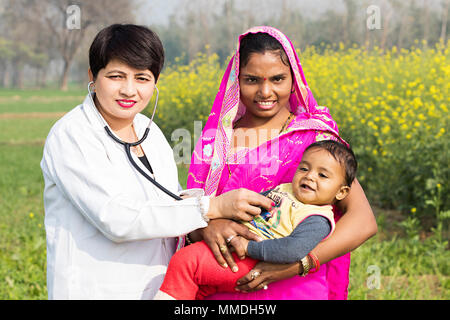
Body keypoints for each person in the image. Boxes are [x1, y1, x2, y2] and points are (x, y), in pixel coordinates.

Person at [40, 24, 272, 300]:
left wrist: (208, 223)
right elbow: (117, 218)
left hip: (156, 287)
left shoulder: (149, 132)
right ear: (93, 76)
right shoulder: (73, 134)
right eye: (116, 76)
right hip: (96, 287)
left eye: (142, 78)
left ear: (155, 81)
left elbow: (169, 199)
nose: (129, 90)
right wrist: (212, 207)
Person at [186, 26, 377, 300]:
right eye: (252, 80)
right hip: (225, 281)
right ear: (235, 81)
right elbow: (188, 211)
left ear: (294, 79)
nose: (266, 91)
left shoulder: (314, 138)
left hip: (297, 286)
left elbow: (363, 221)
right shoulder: (216, 141)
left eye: (277, 79)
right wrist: (206, 227)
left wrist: (298, 263)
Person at [155, 140, 358, 300]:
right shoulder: (285, 190)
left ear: (342, 192)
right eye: (304, 169)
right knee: (198, 289)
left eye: (322, 175)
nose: (310, 177)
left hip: (253, 260)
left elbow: (292, 250)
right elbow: (251, 206)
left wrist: (248, 247)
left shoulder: (317, 218)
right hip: (237, 250)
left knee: (185, 262)